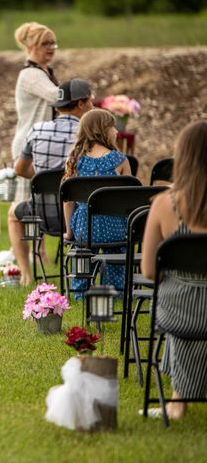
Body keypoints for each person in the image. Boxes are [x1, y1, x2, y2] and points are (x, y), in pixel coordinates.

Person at [141, 120, 207, 420]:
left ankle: (178, 402)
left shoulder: (163, 204)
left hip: (178, 312)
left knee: (177, 295)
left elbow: (150, 270)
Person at [11, 79, 94, 285]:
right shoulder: (90, 135)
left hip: (42, 215)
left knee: (14, 215)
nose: (93, 105)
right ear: (81, 104)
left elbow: (20, 169)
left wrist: (43, 180)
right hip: (78, 217)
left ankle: (26, 275)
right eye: (91, 101)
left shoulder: (37, 130)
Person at [0, 22, 60, 268]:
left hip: (44, 143)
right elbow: (57, 97)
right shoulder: (31, 74)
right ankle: (24, 269)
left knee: (38, 204)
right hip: (28, 145)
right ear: (30, 46)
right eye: (45, 43)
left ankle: (39, 257)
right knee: (19, 208)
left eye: (53, 43)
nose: (51, 48)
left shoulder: (44, 72)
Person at [62, 108, 131, 299]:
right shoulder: (120, 160)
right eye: (113, 127)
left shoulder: (75, 160)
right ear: (103, 130)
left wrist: (69, 231)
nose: (116, 132)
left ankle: (80, 292)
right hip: (115, 228)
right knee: (117, 253)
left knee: (83, 254)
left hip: (85, 228)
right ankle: (117, 292)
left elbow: (67, 201)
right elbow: (131, 199)